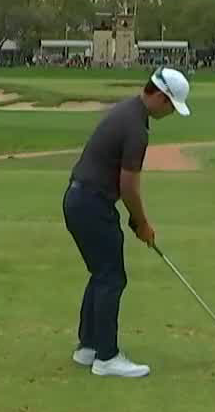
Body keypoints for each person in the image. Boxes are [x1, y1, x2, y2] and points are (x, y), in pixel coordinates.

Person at [62, 67, 192, 379]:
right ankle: (106, 357)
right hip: (92, 204)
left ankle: (88, 347)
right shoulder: (137, 129)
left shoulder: (127, 110)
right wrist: (142, 223)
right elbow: (129, 186)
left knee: (101, 273)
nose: (170, 114)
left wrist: (135, 222)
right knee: (112, 278)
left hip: (79, 200)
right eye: (171, 107)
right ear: (160, 97)